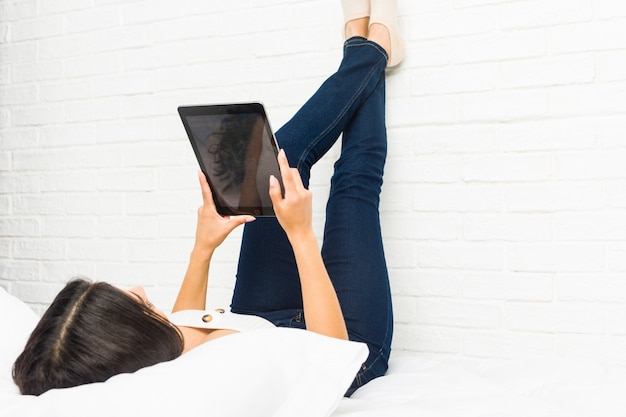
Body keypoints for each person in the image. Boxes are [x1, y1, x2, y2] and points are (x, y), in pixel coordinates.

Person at [12, 0, 404, 397]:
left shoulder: (155, 360)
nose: (138, 291)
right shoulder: (230, 380)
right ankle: (372, 46)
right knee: (352, 191)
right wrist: (301, 235)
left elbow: (180, 330)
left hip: (261, 318)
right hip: (343, 342)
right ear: (127, 339)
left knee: (270, 163)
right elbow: (327, 358)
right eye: (128, 302)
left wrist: (204, 245)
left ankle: (363, 48)